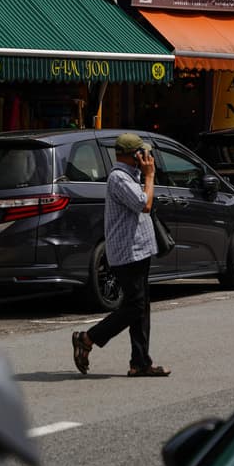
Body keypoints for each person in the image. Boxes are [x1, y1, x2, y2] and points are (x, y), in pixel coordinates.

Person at [71, 132, 171, 378]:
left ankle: (140, 362)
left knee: (141, 307)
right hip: (128, 253)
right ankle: (88, 338)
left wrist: (143, 174)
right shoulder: (119, 178)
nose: (147, 157)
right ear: (131, 156)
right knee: (134, 307)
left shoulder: (129, 175)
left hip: (138, 250)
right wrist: (150, 175)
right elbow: (144, 204)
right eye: (142, 153)